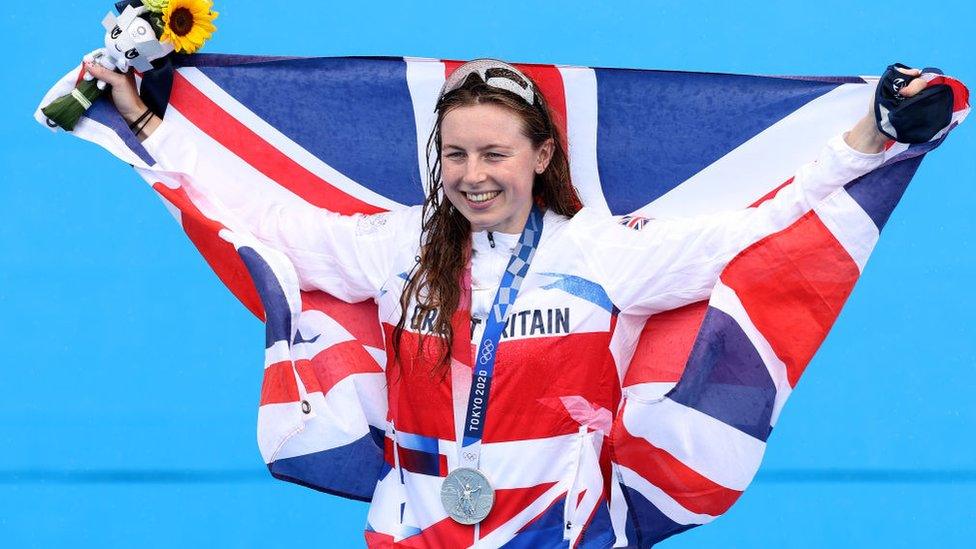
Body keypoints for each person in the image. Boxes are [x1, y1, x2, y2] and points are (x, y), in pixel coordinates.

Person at [83, 57, 940, 547]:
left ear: (539, 155)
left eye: (494, 152)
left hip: (561, 535)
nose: (471, 174)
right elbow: (259, 217)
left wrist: (870, 138)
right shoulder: (398, 246)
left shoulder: (602, 253)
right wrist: (150, 127)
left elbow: (760, 227)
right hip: (414, 529)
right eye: (454, 154)